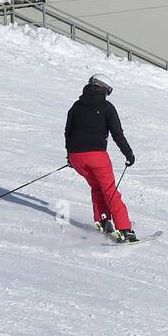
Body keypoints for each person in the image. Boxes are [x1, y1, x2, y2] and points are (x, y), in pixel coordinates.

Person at [65, 75, 137, 242]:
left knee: (97, 187)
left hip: (77, 157)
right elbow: (117, 134)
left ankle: (103, 220)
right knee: (109, 190)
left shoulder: (76, 106)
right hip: (96, 156)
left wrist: (70, 155)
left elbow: (68, 132)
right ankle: (125, 229)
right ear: (104, 89)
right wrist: (128, 153)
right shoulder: (106, 107)